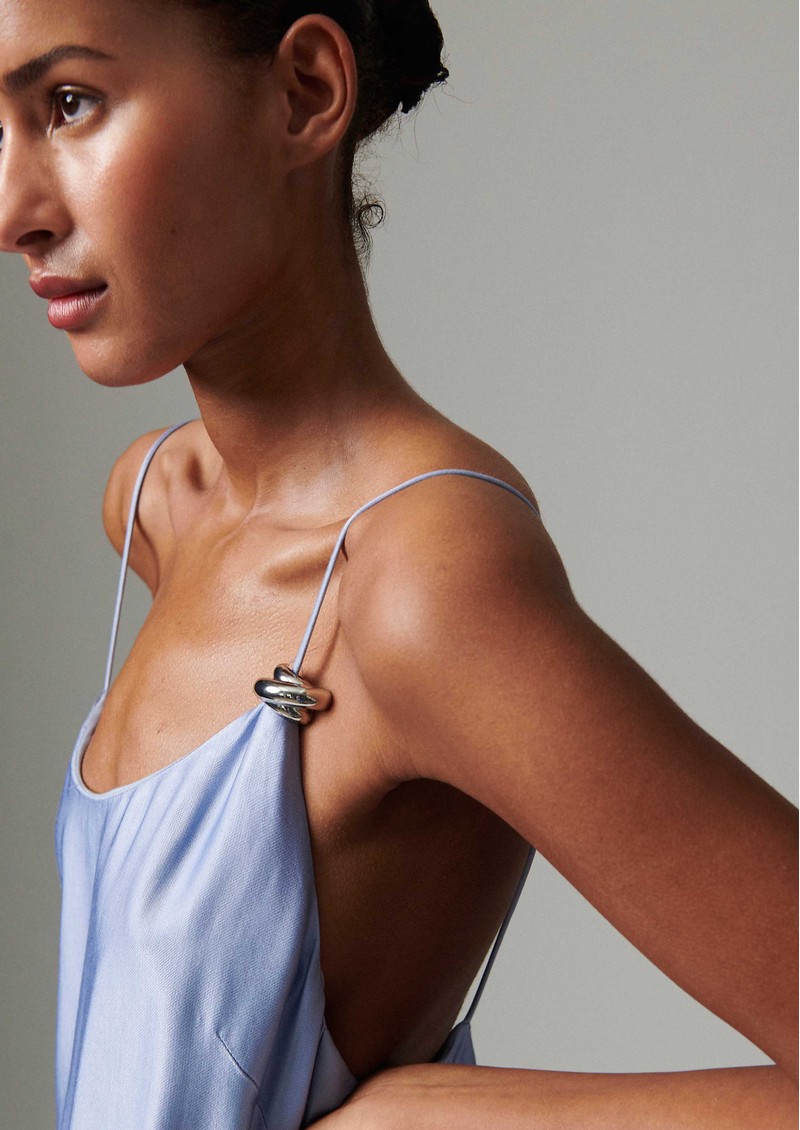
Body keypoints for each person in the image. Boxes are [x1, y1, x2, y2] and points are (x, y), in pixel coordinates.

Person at [0, 1, 795, 1127]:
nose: (13, 214)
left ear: (305, 91)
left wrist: (426, 1120)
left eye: (70, 104)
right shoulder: (155, 506)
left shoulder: (420, 584)